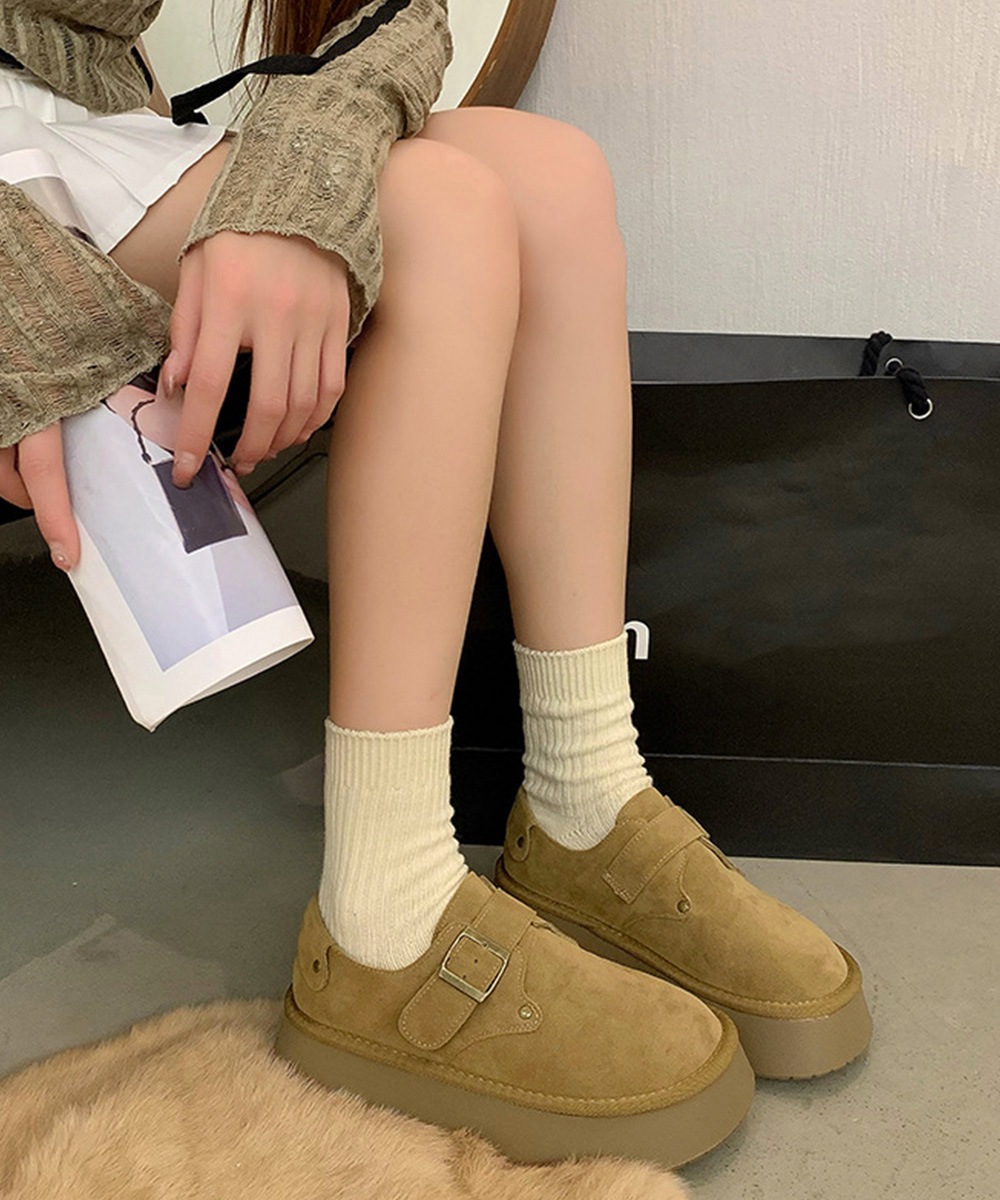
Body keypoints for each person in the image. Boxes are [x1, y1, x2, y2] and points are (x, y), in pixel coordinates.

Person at [0, 0, 871, 1171]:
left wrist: (301, 176)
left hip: (79, 129)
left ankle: (584, 795)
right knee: (430, 214)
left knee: (548, 176)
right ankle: (383, 914)